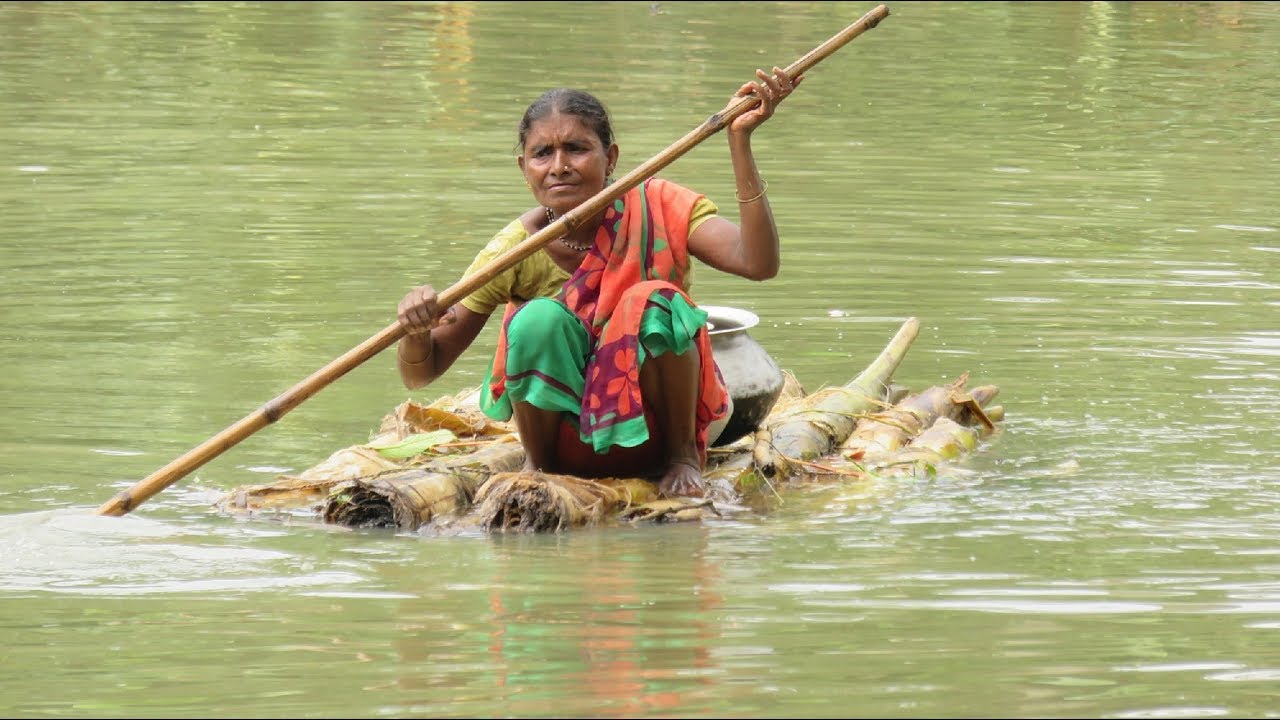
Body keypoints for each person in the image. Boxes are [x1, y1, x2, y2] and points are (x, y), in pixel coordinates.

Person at [395, 66, 801, 498]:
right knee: (535, 320)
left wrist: (739, 142)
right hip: (567, 442)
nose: (559, 167)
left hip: (659, 432)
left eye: (576, 149)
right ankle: (540, 468)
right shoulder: (512, 251)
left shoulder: (659, 205)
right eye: (542, 154)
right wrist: (415, 331)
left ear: (611, 159)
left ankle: (684, 459)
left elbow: (757, 263)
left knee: (655, 301)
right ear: (523, 168)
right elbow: (422, 372)